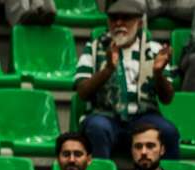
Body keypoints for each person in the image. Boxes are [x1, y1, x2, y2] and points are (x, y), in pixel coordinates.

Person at [74, 0, 180, 159]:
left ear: (139, 22)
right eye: (114, 18)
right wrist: (108, 70)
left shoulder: (154, 50)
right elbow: (82, 92)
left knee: (168, 132)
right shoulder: (94, 48)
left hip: (143, 117)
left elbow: (167, 98)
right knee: (97, 128)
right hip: (105, 115)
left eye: (126, 18)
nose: (119, 23)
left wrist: (158, 74)